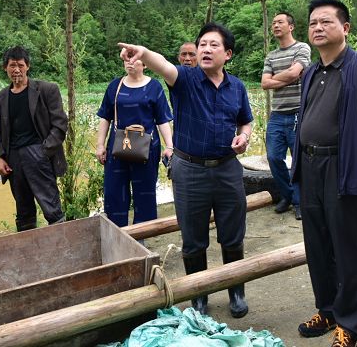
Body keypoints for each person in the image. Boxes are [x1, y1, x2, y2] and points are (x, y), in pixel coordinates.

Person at [118, 22, 253, 319]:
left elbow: (246, 120)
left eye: (213, 45)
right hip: (190, 169)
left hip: (228, 168)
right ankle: (198, 294)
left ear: (228, 54)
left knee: (232, 235)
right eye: (202, 44)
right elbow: (164, 65)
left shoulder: (238, 87)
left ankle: (236, 292)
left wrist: (244, 136)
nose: (205, 49)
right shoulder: (186, 80)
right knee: (193, 238)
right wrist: (143, 53)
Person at [291, 0, 357, 347]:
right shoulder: (311, 72)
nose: (317, 28)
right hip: (310, 166)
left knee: (347, 249)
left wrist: (356, 154)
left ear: (345, 28)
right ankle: (327, 310)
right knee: (317, 245)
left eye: (326, 22)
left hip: (344, 167)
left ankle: (349, 325)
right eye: (313, 23)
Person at [0, 46, 68, 231]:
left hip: (38, 153)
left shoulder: (46, 90)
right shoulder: (1, 97)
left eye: (20, 65)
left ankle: (62, 248)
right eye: (12, 65)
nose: (16, 69)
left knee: (52, 208)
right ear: (5, 68)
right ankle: (30, 253)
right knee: (23, 211)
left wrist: (43, 151)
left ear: (28, 66)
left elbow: (60, 125)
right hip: (14, 159)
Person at [95, 59, 174, 227]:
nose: (129, 63)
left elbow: (162, 120)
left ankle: (142, 237)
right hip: (118, 148)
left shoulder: (155, 87)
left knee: (145, 194)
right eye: (125, 59)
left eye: (134, 59)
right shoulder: (115, 86)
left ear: (145, 64)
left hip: (147, 149)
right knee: (114, 193)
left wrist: (169, 146)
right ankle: (117, 234)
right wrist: (100, 145)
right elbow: (105, 117)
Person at [261, 12, 310, 220]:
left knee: (299, 159)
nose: (275, 25)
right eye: (273, 23)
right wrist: (288, 77)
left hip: (299, 112)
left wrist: (277, 79)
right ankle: (288, 195)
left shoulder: (302, 48)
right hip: (277, 115)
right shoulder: (271, 56)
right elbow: (265, 83)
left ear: (291, 26)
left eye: (280, 22)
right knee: (273, 157)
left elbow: (295, 72)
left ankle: (300, 201)